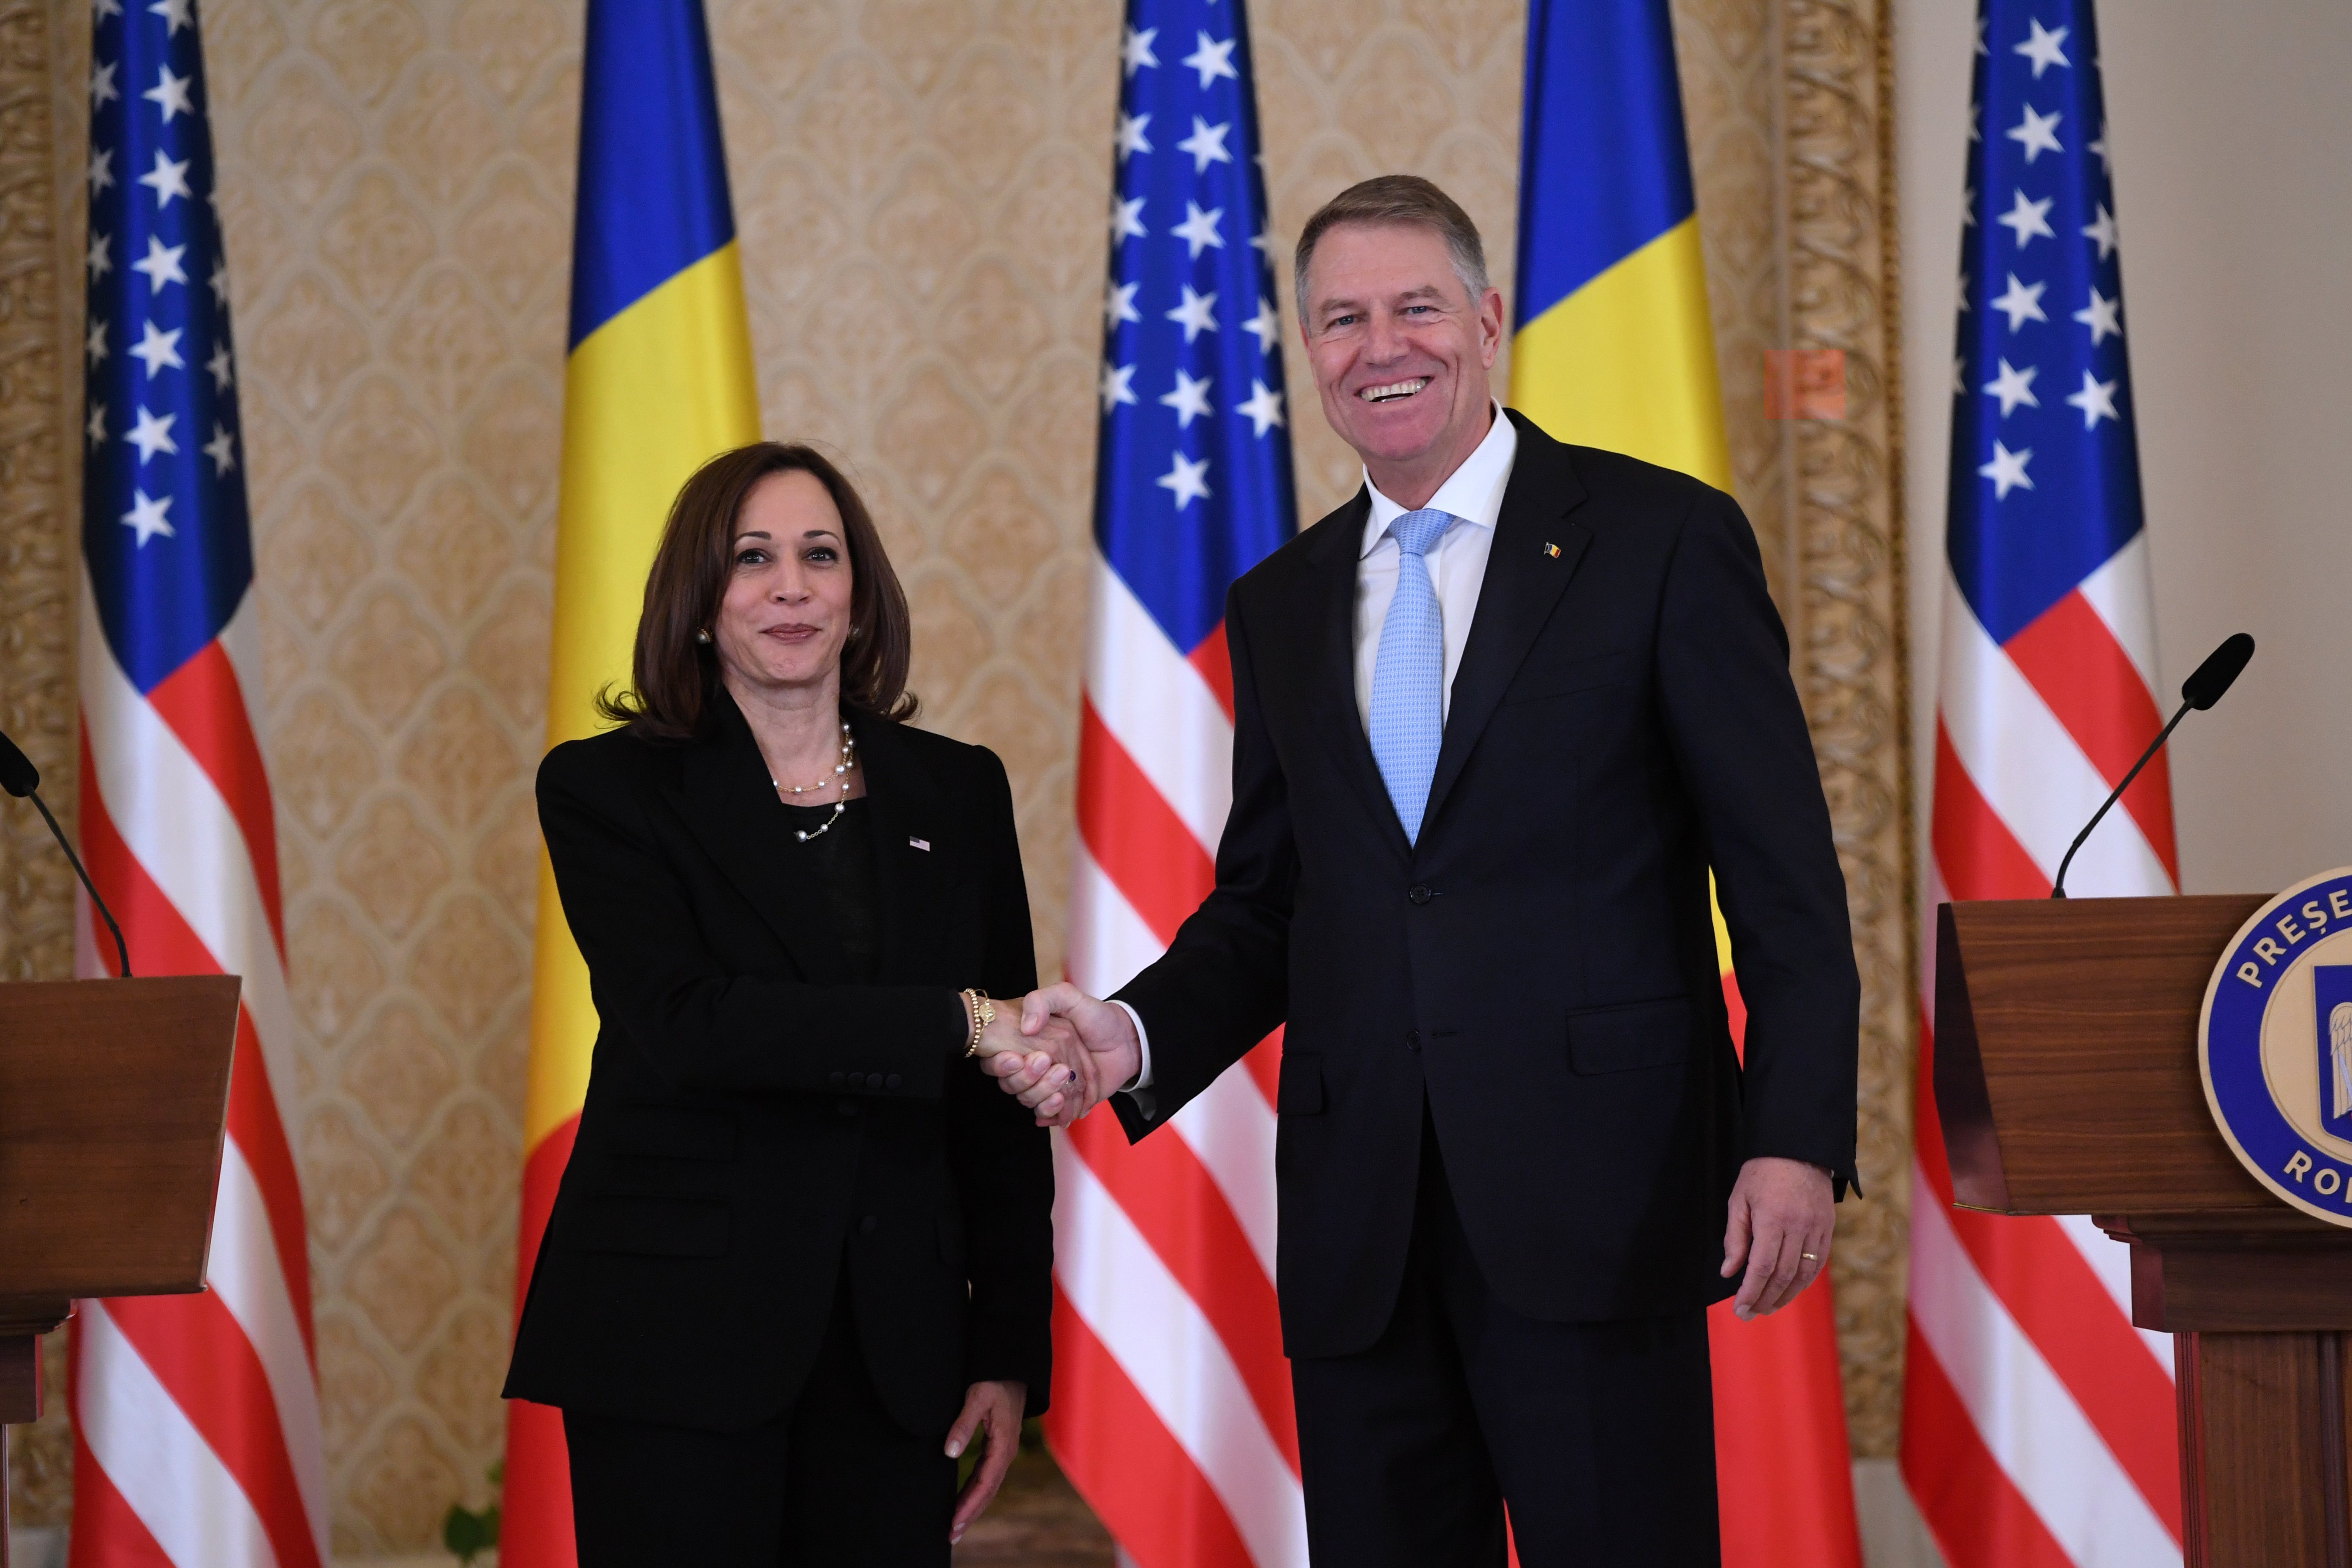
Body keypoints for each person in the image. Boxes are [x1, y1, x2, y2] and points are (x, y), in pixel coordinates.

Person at [991, 177, 1859, 1566]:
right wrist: (1131, 1031)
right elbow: (1278, 903)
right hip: (1364, 1231)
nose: (1379, 346)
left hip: (1602, 1201)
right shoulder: (1278, 603)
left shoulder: (1660, 541)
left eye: (1415, 307)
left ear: (1490, 320)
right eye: (1341, 319)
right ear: (1310, 353)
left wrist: (1794, 1136)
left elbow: (1784, 885)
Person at [503, 442, 1076, 1564]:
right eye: (752, 559)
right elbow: (692, 1024)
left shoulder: (956, 790)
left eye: (821, 555)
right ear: (700, 600)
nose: (792, 588)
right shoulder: (607, 789)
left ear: (860, 595)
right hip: (677, 1339)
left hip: (895, 1346)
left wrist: (1005, 1347)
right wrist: (958, 1020)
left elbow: (994, 1113)